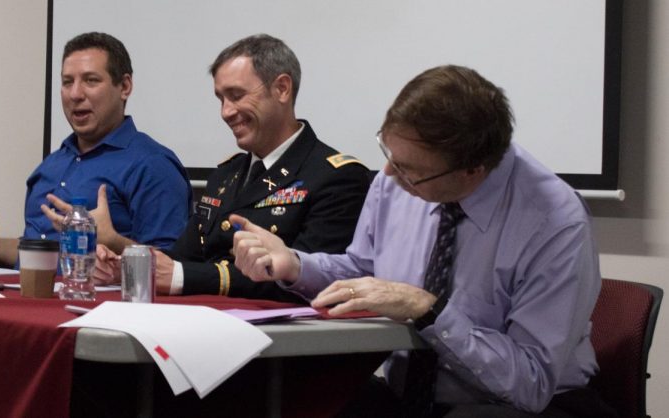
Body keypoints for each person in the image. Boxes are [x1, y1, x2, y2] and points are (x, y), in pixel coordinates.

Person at [232, 65, 615, 416]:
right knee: (301, 400)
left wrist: (427, 310)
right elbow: (364, 272)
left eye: (410, 170)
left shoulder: (554, 222)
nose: (389, 174)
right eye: (388, 152)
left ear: (472, 170)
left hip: (520, 404)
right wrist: (296, 265)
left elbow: (530, 382)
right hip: (409, 396)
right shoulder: (396, 180)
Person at [81, 34, 370, 302]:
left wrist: (181, 276)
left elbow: (304, 281)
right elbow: (183, 257)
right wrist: (126, 265)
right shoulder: (225, 175)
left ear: (282, 88)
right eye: (221, 99)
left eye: (236, 95)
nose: (226, 112)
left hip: (279, 348)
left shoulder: (336, 176)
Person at [0, 32, 191, 266]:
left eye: (91, 80)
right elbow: (36, 252)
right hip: (32, 302)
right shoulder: (52, 165)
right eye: (67, 82)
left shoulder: (152, 164)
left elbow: (170, 266)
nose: (75, 94)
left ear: (124, 86)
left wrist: (111, 240)